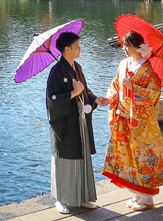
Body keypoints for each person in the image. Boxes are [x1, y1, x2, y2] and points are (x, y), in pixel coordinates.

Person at [101, 30, 163, 212]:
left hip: (142, 122)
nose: (125, 49)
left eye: (128, 46)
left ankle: (147, 198)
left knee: (144, 156)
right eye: (124, 45)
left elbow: (154, 94)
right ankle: (137, 192)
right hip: (124, 117)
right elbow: (115, 85)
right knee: (127, 155)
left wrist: (133, 87)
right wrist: (110, 98)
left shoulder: (149, 69)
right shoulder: (123, 64)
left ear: (138, 47)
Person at [45, 31, 110, 214]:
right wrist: (73, 93)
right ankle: (61, 199)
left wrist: (96, 99)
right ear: (67, 49)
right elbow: (52, 100)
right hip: (64, 125)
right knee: (65, 161)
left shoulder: (77, 67)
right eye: (76, 46)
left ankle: (82, 197)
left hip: (79, 122)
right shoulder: (56, 72)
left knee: (82, 158)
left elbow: (85, 91)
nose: (79, 49)